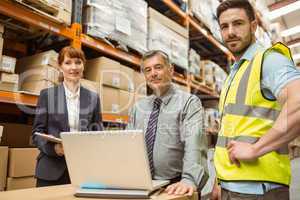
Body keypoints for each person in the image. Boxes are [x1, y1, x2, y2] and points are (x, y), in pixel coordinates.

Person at [212, 0, 300, 199]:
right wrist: (220, 180)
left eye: (238, 23)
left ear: (253, 26)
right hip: (230, 186)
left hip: (259, 190)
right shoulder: (236, 73)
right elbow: (231, 130)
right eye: (224, 26)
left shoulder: (269, 60)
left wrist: (256, 149)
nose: (231, 32)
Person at [127, 50, 208, 196]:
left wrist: (189, 180)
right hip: (144, 185)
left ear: (170, 70)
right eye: (148, 70)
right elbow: (128, 146)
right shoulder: (138, 108)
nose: (153, 73)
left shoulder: (189, 103)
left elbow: (195, 144)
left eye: (158, 67)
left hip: (176, 186)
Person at [32, 46, 103, 187]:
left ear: (83, 66)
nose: (73, 67)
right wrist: (55, 149)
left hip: (83, 170)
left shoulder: (93, 98)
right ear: (60, 67)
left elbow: (98, 132)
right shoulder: (47, 95)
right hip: (51, 170)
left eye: (78, 62)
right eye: (68, 62)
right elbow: (36, 135)